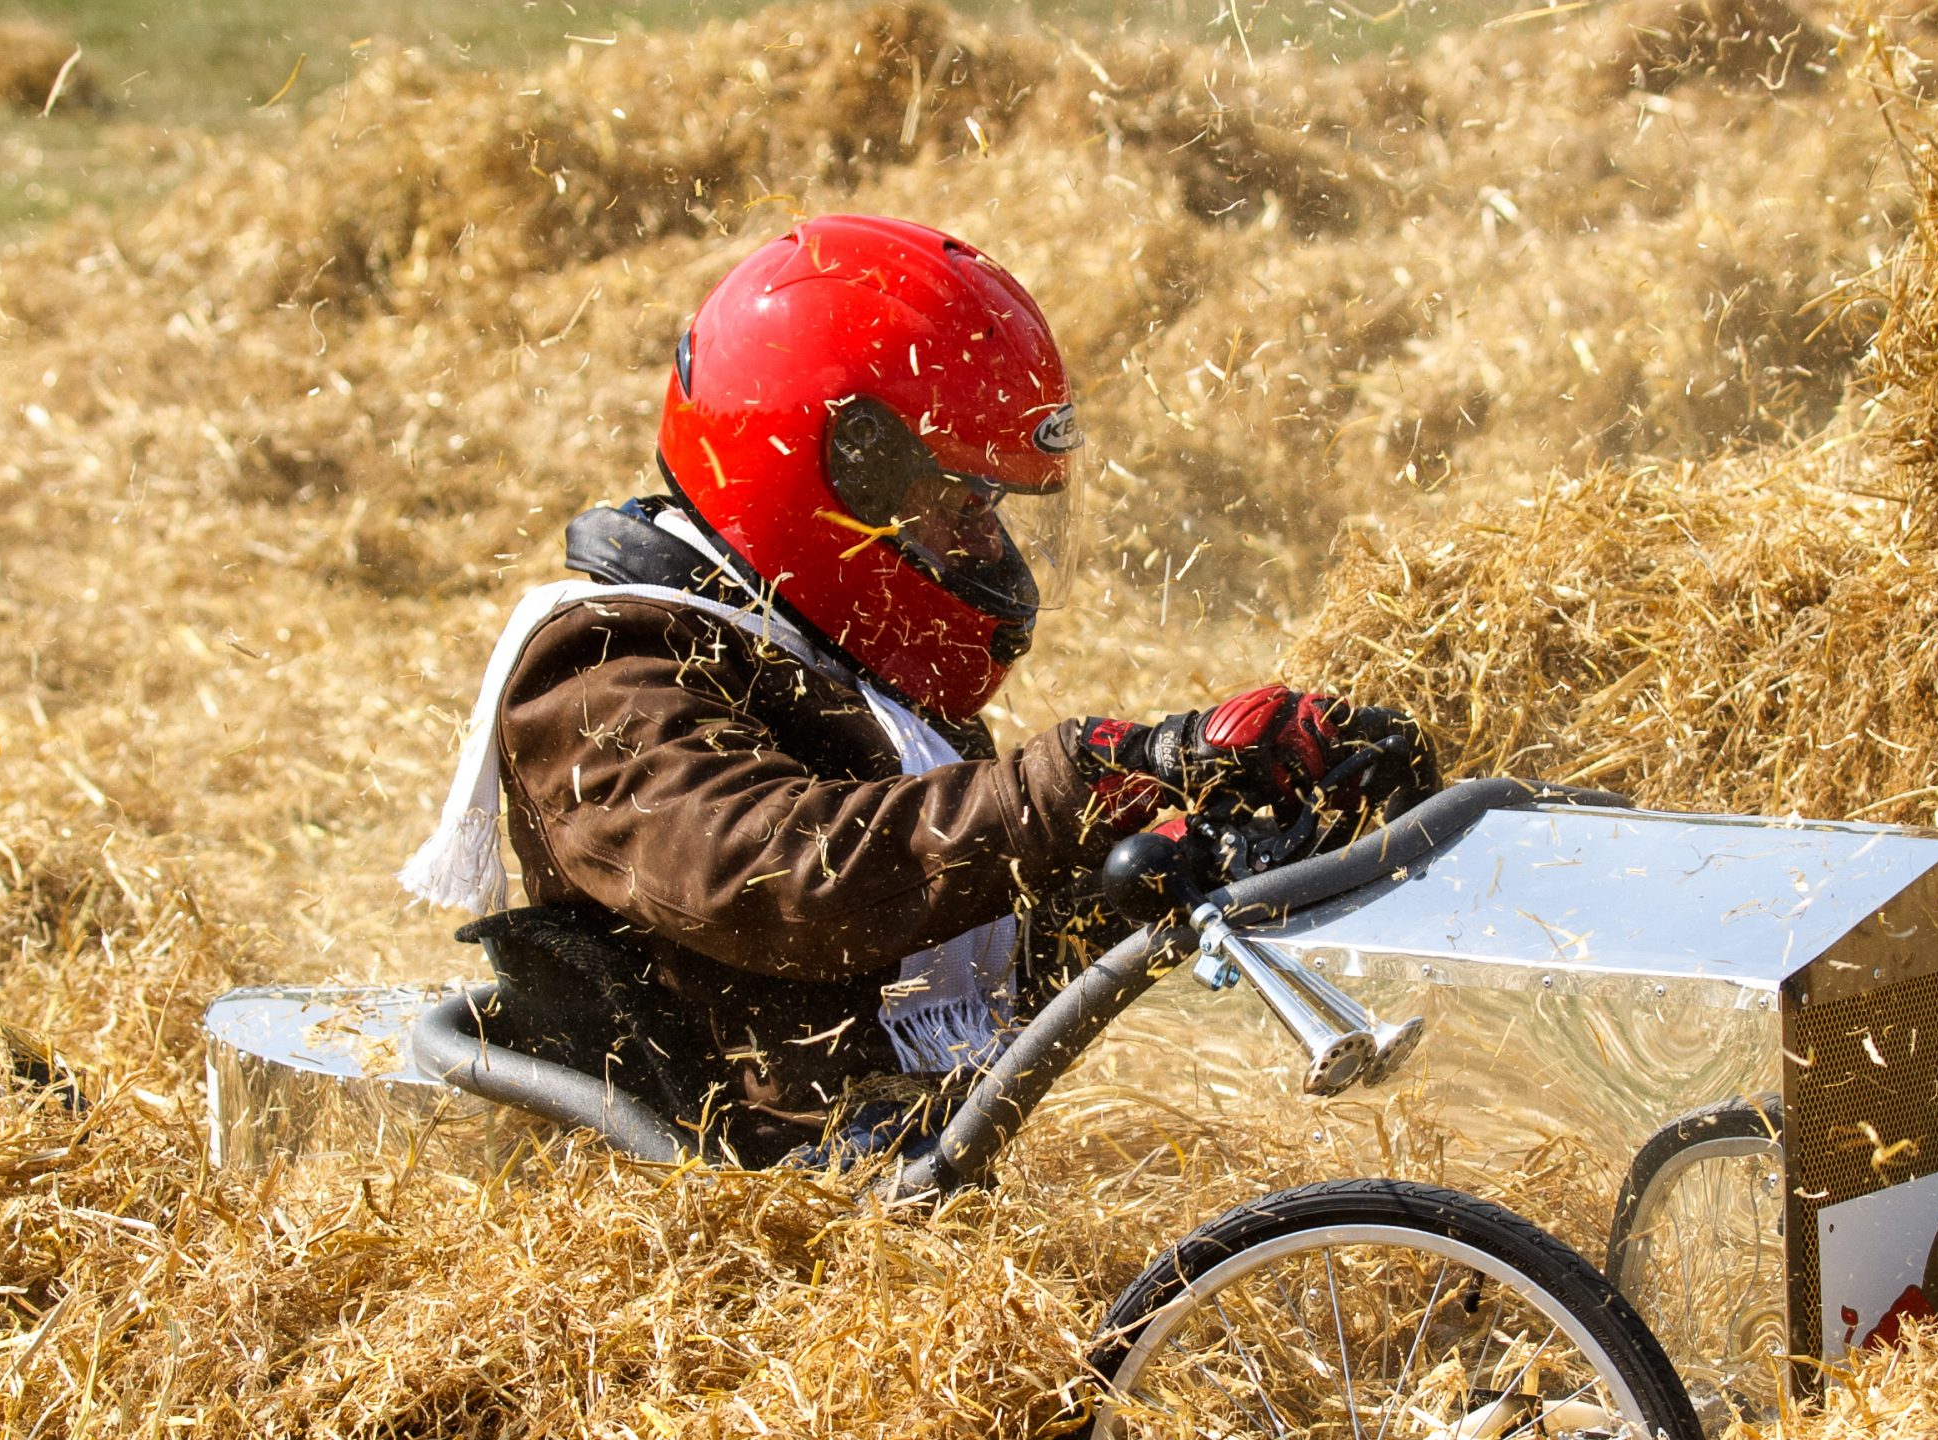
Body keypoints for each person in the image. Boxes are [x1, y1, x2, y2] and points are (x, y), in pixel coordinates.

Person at [402, 214, 1431, 1169]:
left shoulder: (828, 666)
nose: (985, 543)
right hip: (745, 1227)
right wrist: (1098, 771)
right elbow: (784, 878)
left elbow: (945, 932)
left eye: (991, 506)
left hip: (896, 1179)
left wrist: (1185, 825)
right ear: (830, 479)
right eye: (954, 502)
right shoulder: (602, 673)